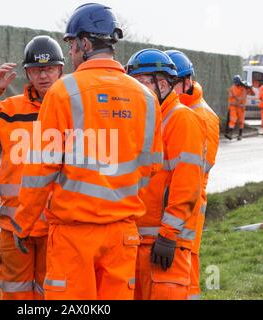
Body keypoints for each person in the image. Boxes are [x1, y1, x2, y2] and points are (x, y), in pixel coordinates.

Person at [11, 3, 163, 300]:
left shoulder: (63, 92)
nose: (70, 52)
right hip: (123, 234)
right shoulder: (146, 98)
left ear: (84, 43)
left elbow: (41, 169)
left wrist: (23, 223)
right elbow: (151, 166)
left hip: (74, 237)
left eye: (70, 44)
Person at [0, 35, 65, 300]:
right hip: (14, 225)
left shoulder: (72, 108)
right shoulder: (10, 109)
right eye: (36, 69)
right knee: (14, 292)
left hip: (56, 224)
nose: (43, 76)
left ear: (60, 70)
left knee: (51, 293)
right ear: (27, 73)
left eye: (49, 68)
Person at [126, 48, 206, 300]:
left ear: (162, 84)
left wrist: (168, 236)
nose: (135, 90)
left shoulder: (181, 119)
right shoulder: (149, 118)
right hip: (139, 241)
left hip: (166, 244)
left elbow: (188, 183)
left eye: (141, 83)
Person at [166, 50, 219, 300]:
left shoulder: (202, 115)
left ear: (186, 82)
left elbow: (198, 167)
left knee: (187, 259)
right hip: (174, 199)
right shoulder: (173, 109)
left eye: (172, 82)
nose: (167, 87)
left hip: (190, 202)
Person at [225, 75, 250, 140]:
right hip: (233, 106)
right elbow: (236, 96)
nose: (237, 84)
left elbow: (251, 93)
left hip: (241, 107)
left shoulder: (244, 88)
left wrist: (248, 86)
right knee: (232, 120)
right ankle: (230, 134)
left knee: (241, 121)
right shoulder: (233, 88)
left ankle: (240, 135)